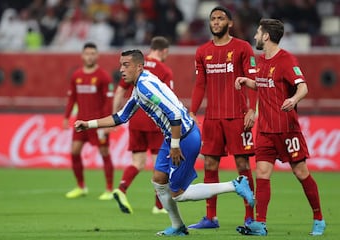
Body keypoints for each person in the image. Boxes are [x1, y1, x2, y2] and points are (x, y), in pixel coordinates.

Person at [74, 49, 255, 236]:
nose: (121, 69)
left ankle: (235, 185)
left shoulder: (145, 87)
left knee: (179, 194)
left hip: (184, 138)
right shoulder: (139, 86)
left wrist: (175, 146)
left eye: (126, 65)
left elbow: (175, 114)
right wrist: (88, 124)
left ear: (139, 67)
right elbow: (121, 117)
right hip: (173, 137)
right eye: (120, 65)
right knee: (159, 181)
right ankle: (177, 226)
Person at [234, 18, 326, 236]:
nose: (255, 36)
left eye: (258, 32)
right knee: (263, 173)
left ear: (266, 36)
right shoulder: (261, 61)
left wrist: (293, 101)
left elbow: (303, 88)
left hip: (286, 128)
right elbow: (265, 85)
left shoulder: (286, 60)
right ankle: (260, 224)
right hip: (265, 130)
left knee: (300, 171)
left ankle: (318, 218)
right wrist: (248, 81)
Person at [188, 6, 257, 229]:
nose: (216, 22)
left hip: (237, 116)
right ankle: (211, 217)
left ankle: (249, 217)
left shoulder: (242, 47)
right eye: (213, 19)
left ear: (229, 23)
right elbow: (200, 85)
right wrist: (192, 111)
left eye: (220, 18)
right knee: (209, 164)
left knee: (242, 163)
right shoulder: (202, 52)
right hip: (212, 118)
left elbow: (253, 81)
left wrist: (252, 109)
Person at [112, 36, 173, 214]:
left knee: (137, 162)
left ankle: (121, 189)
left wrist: (115, 117)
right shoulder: (164, 70)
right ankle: (158, 206)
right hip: (154, 122)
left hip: (135, 119)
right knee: (159, 165)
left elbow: (119, 91)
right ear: (164, 51)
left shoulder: (134, 66)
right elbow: (168, 98)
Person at [63, 42, 114, 200]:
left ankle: (109, 189)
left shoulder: (103, 76)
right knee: (74, 151)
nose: (90, 56)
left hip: (98, 123)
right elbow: (72, 98)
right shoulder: (76, 75)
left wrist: (107, 123)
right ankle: (81, 186)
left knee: (104, 152)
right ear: (82, 56)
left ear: (97, 56)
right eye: (87, 53)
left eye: (93, 53)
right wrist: (66, 116)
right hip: (80, 123)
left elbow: (108, 101)